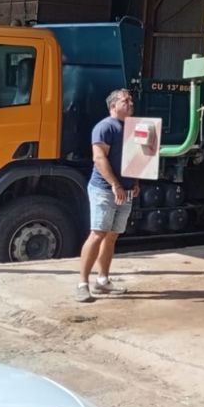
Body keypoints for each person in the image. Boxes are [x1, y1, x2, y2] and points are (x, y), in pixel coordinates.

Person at [76, 88, 139, 302]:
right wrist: (115, 185)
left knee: (112, 236)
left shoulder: (132, 127)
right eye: (125, 101)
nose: (131, 103)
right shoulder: (105, 127)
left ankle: (102, 281)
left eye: (131, 100)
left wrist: (134, 182)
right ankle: (82, 284)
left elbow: (135, 157)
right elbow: (99, 158)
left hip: (125, 190)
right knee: (98, 233)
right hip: (104, 189)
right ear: (113, 106)